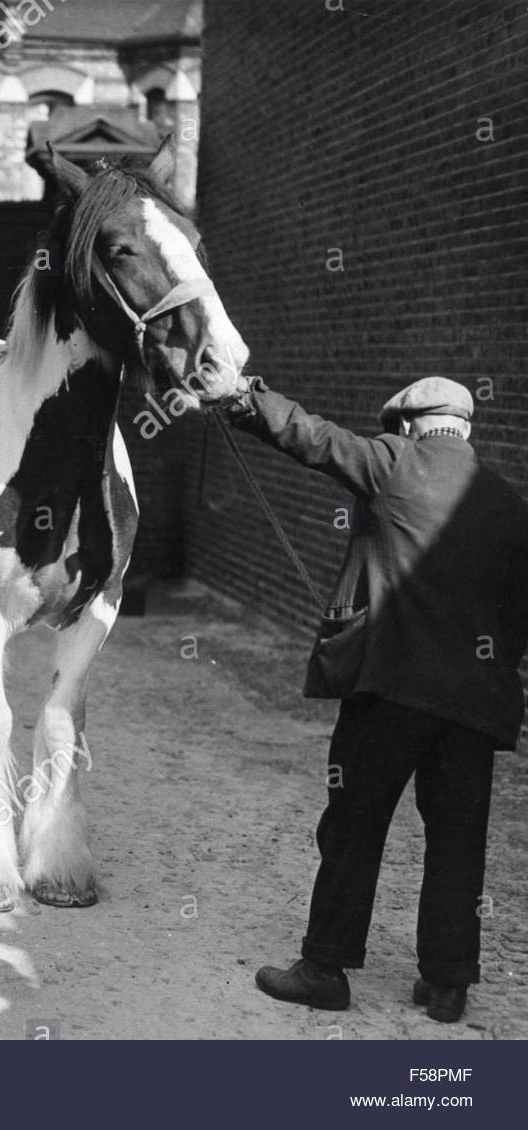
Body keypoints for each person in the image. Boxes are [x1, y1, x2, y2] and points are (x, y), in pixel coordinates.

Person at [204, 372, 528, 1024]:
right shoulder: (510, 505)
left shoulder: (392, 461)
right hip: (472, 706)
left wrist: (241, 399)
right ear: (465, 429)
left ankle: (325, 968)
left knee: (354, 826)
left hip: (392, 691)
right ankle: (447, 984)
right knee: (458, 841)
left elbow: (310, 437)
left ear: (409, 426)